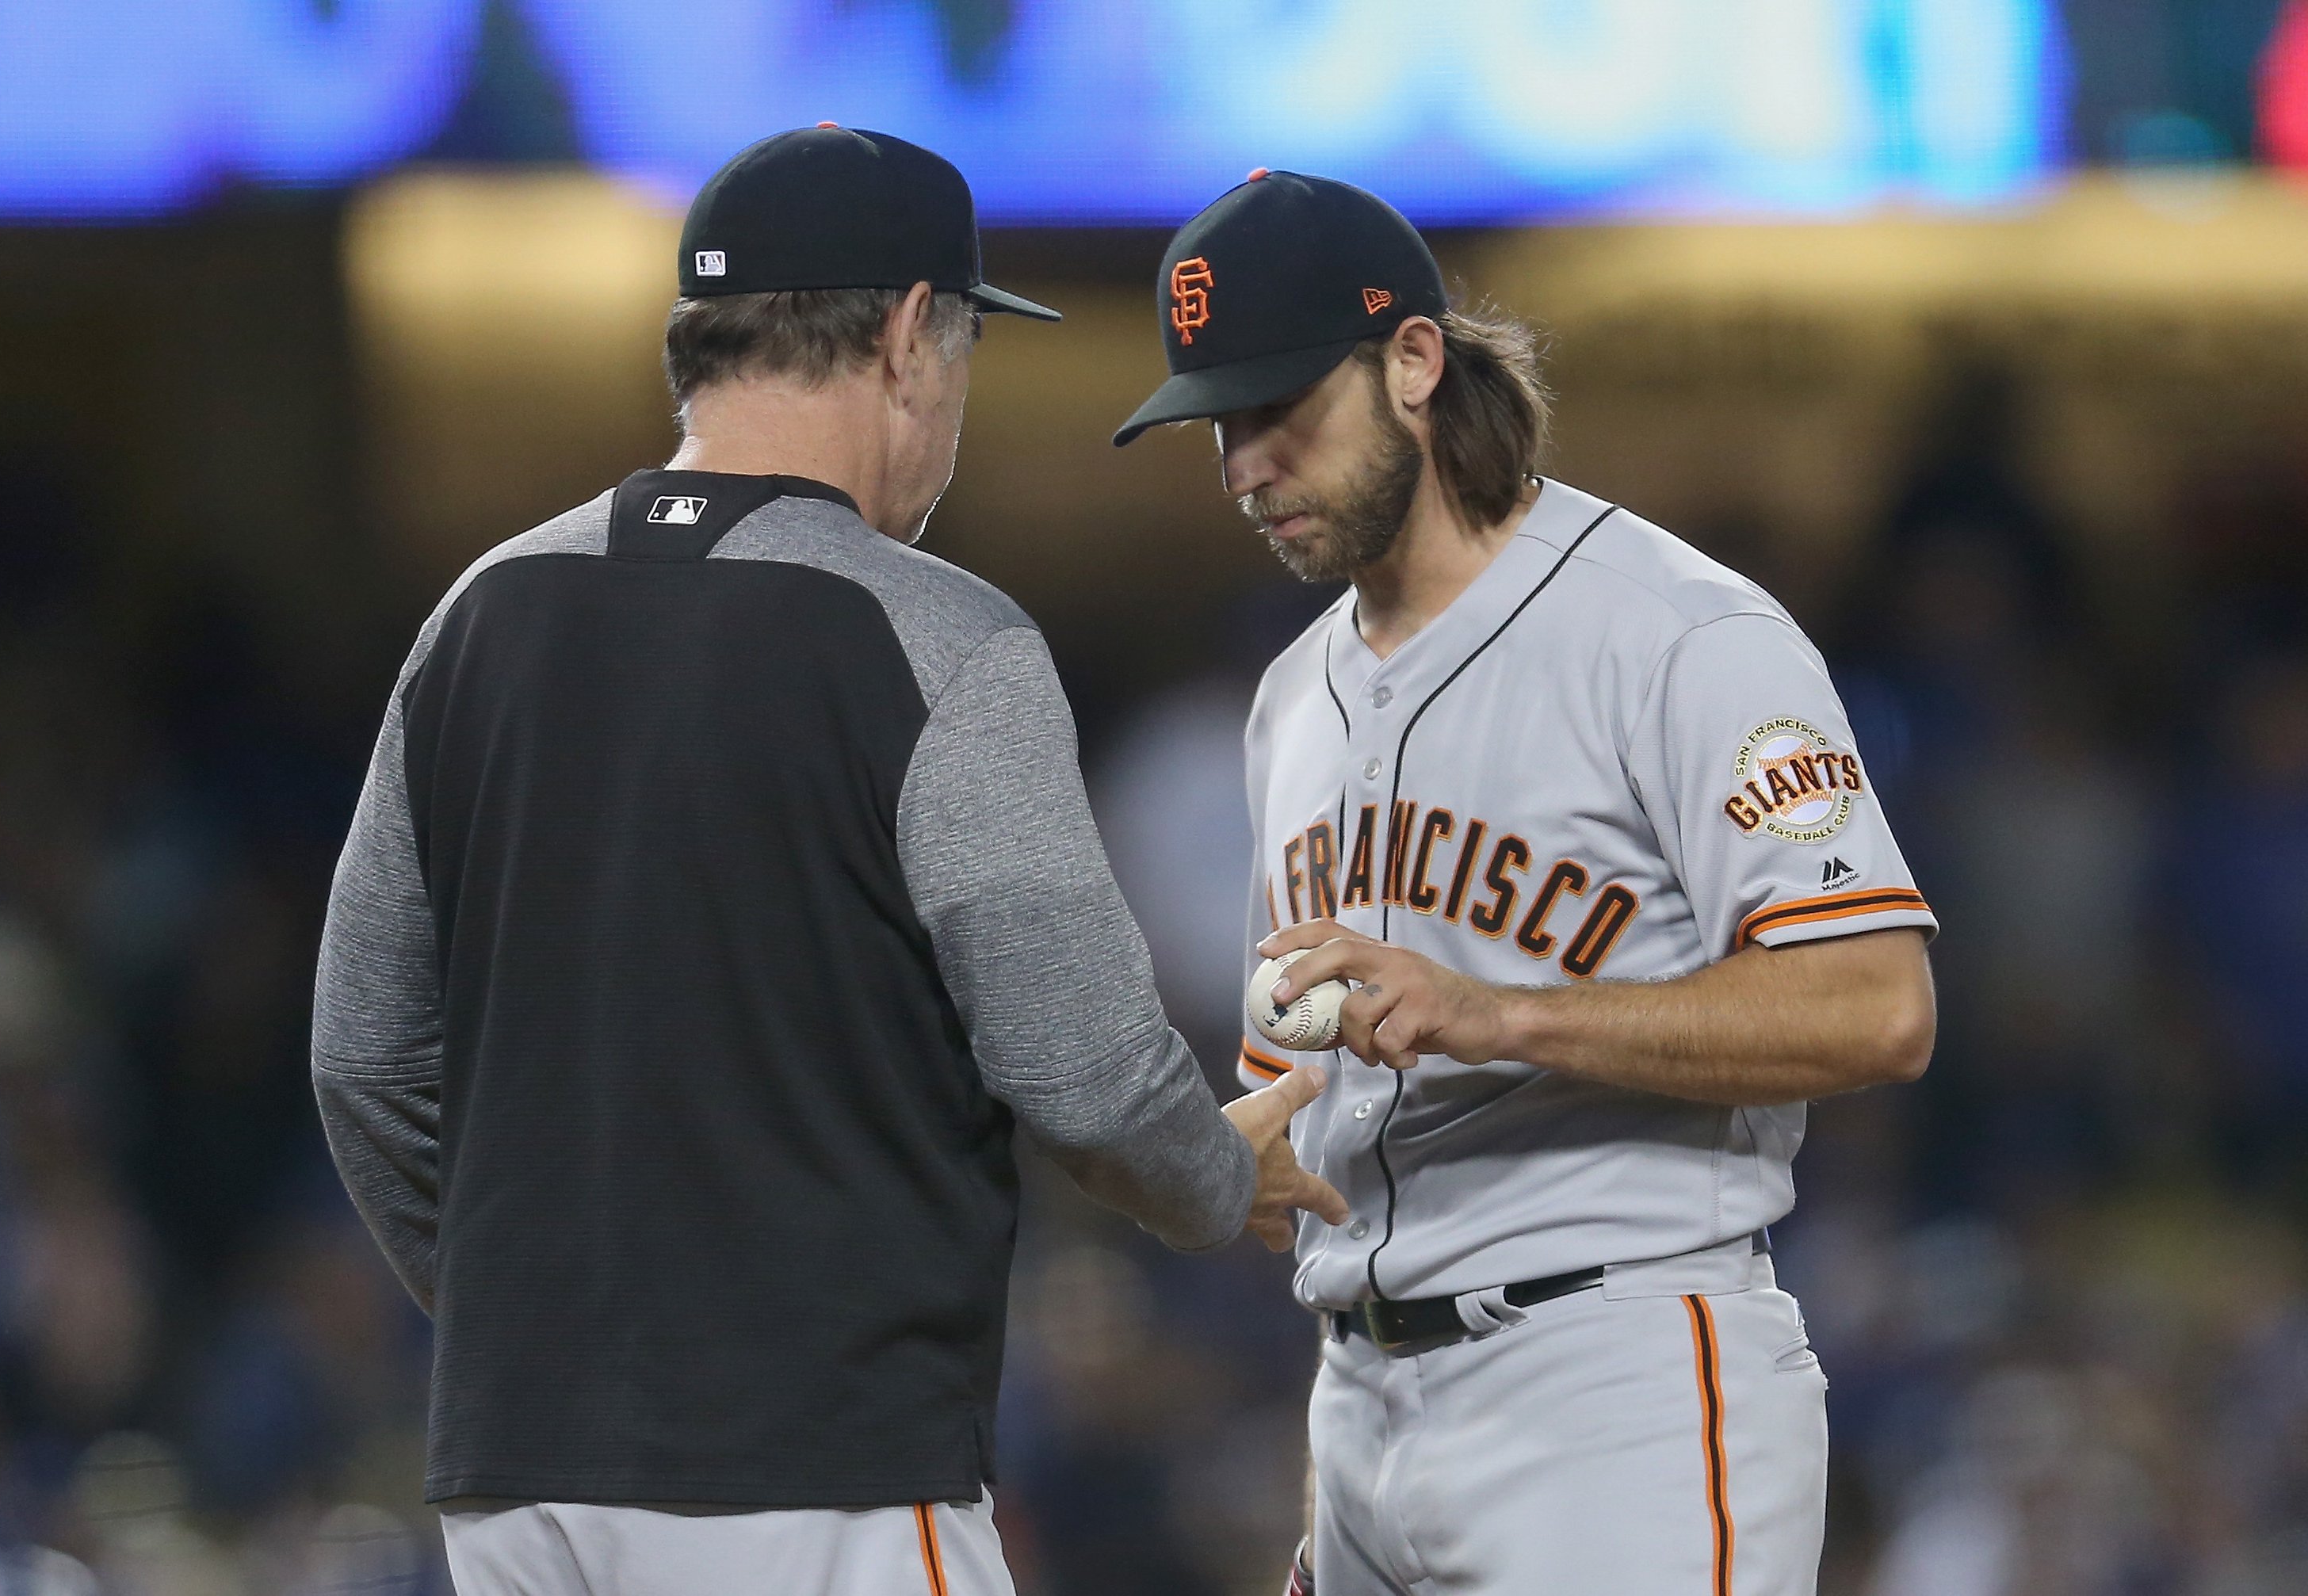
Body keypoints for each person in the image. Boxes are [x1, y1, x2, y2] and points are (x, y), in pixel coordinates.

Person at [311, 126, 1345, 1596]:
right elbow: (1089, 1074)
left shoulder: (478, 614)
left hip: (518, 1480)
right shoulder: (933, 634)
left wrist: (528, 1320)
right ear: (914, 333)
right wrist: (1206, 1173)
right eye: (968, 349)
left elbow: (363, 1060)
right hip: (817, 1468)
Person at [1114, 170, 1938, 1596]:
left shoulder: (1679, 634)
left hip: (1614, 1387)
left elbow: (1878, 1007)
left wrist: (1501, 1014)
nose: (1246, 462)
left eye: (1279, 409)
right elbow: (1337, 1142)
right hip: (1363, 1402)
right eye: (1219, 425)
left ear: (1416, 361)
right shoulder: (1287, 703)